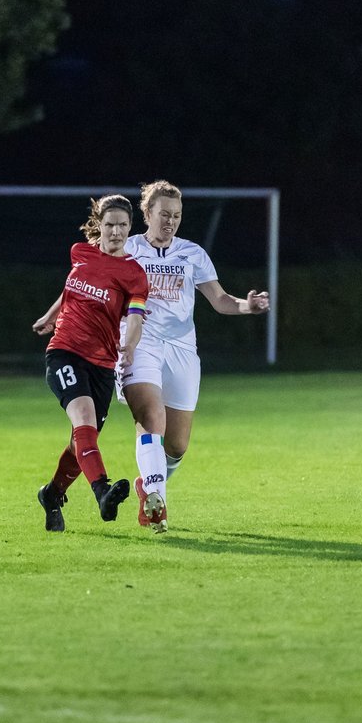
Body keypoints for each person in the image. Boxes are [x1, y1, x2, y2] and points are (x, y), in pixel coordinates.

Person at [121, 180, 269, 532]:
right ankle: (157, 501)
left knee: (177, 444)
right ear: (147, 214)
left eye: (177, 215)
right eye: (164, 215)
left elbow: (220, 301)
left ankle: (149, 484)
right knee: (150, 416)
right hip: (139, 344)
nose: (170, 221)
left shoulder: (192, 254)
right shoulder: (127, 249)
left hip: (183, 350)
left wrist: (248, 306)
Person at [30, 194, 149, 532]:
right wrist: (51, 317)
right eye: (110, 224)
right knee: (83, 420)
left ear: (130, 228)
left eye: (122, 225)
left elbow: (137, 316)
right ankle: (102, 492)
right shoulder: (79, 253)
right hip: (64, 352)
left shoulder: (133, 275)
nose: (116, 231)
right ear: (100, 225)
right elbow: (71, 291)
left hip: (102, 365)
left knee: (82, 440)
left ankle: (52, 495)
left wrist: (130, 345)